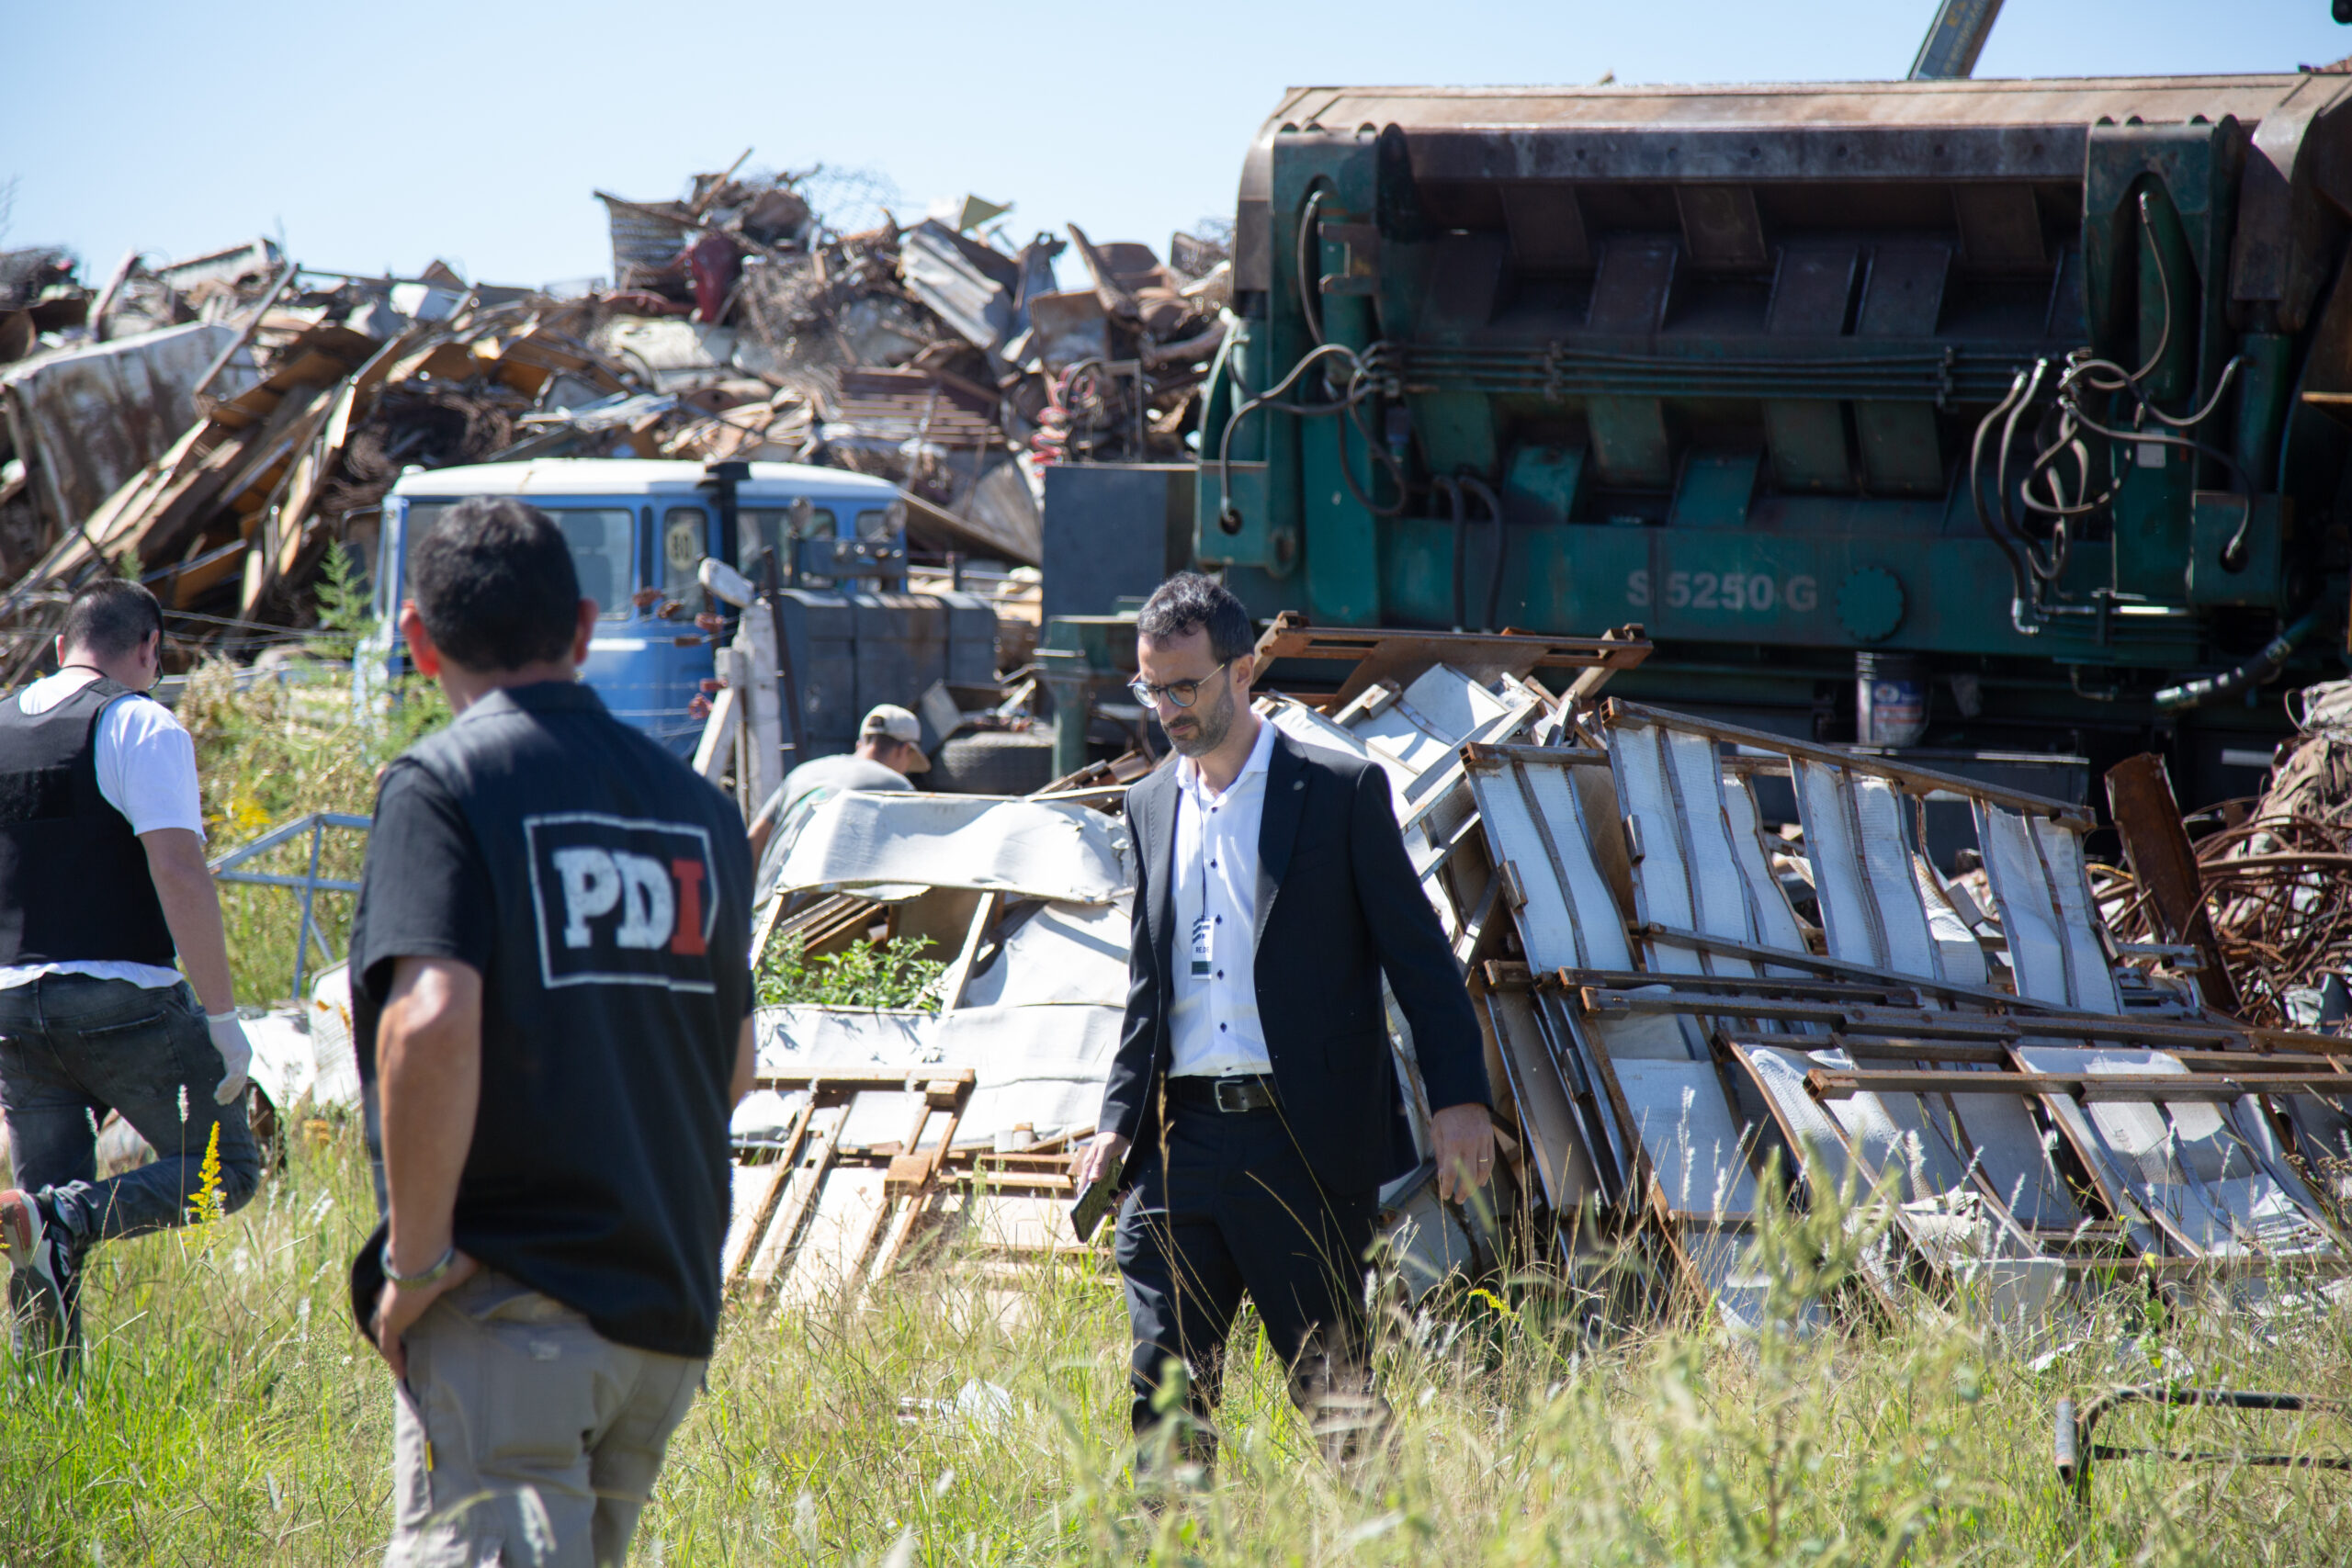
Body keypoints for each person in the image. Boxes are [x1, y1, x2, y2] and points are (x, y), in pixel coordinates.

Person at [345, 496, 755, 1566]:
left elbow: (428, 1024)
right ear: (582, 630)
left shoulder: (445, 786)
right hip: (659, 1320)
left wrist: (419, 1259)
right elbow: (738, 1062)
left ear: (417, 639)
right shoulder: (699, 813)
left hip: (512, 1317)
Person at [1071, 572, 1496, 1483]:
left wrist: (1459, 1099)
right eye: (1152, 689)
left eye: (1185, 686)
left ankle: (1393, 1544)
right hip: (1178, 1145)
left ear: (1245, 666)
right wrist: (1115, 1121)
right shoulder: (1148, 805)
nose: (1167, 710)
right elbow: (1151, 987)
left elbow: (1419, 959)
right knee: (1163, 1394)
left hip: (1297, 1144)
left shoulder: (1335, 792)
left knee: (1333, 1395)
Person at [0, 578, 258, 1362]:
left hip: (11, 1006)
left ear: (58, 648)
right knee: (229, 1171)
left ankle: (48, 1393)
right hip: (122, 1001)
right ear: (150, 649)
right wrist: (222, 1016)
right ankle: (76, 1218)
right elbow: (178, 867)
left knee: (32, 1222)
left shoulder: (2, 724)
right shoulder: (140, 722)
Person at [745, 703, 929, 899]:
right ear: (904, 750)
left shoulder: (804, 772)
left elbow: (755, 837)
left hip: (764, 910)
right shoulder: (897, 787)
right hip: (819, 920)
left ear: (860, 744)